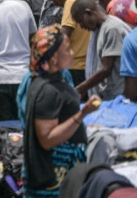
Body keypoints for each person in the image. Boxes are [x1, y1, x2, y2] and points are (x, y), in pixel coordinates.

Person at [23, 24, 100, 197]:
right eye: (67, 49)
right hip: (54, 175)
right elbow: (47, 139)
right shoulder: (48, 90)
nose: (72, 53)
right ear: (53, 58)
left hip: (64, 170)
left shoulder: (52, 82)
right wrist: (82, 114)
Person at [71, 0, 132, 99]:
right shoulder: (99, 30)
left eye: (81, 21)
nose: (81, 26)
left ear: (89, 13)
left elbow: (106, 68)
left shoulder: (112, 28)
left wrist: (80, 89)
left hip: (119, 95)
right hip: (110, 94)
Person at [44, 0, 92, 95]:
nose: (53, 2)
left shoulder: (70, 3)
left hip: (75, 67)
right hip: (86, 65)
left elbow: (64, 36)